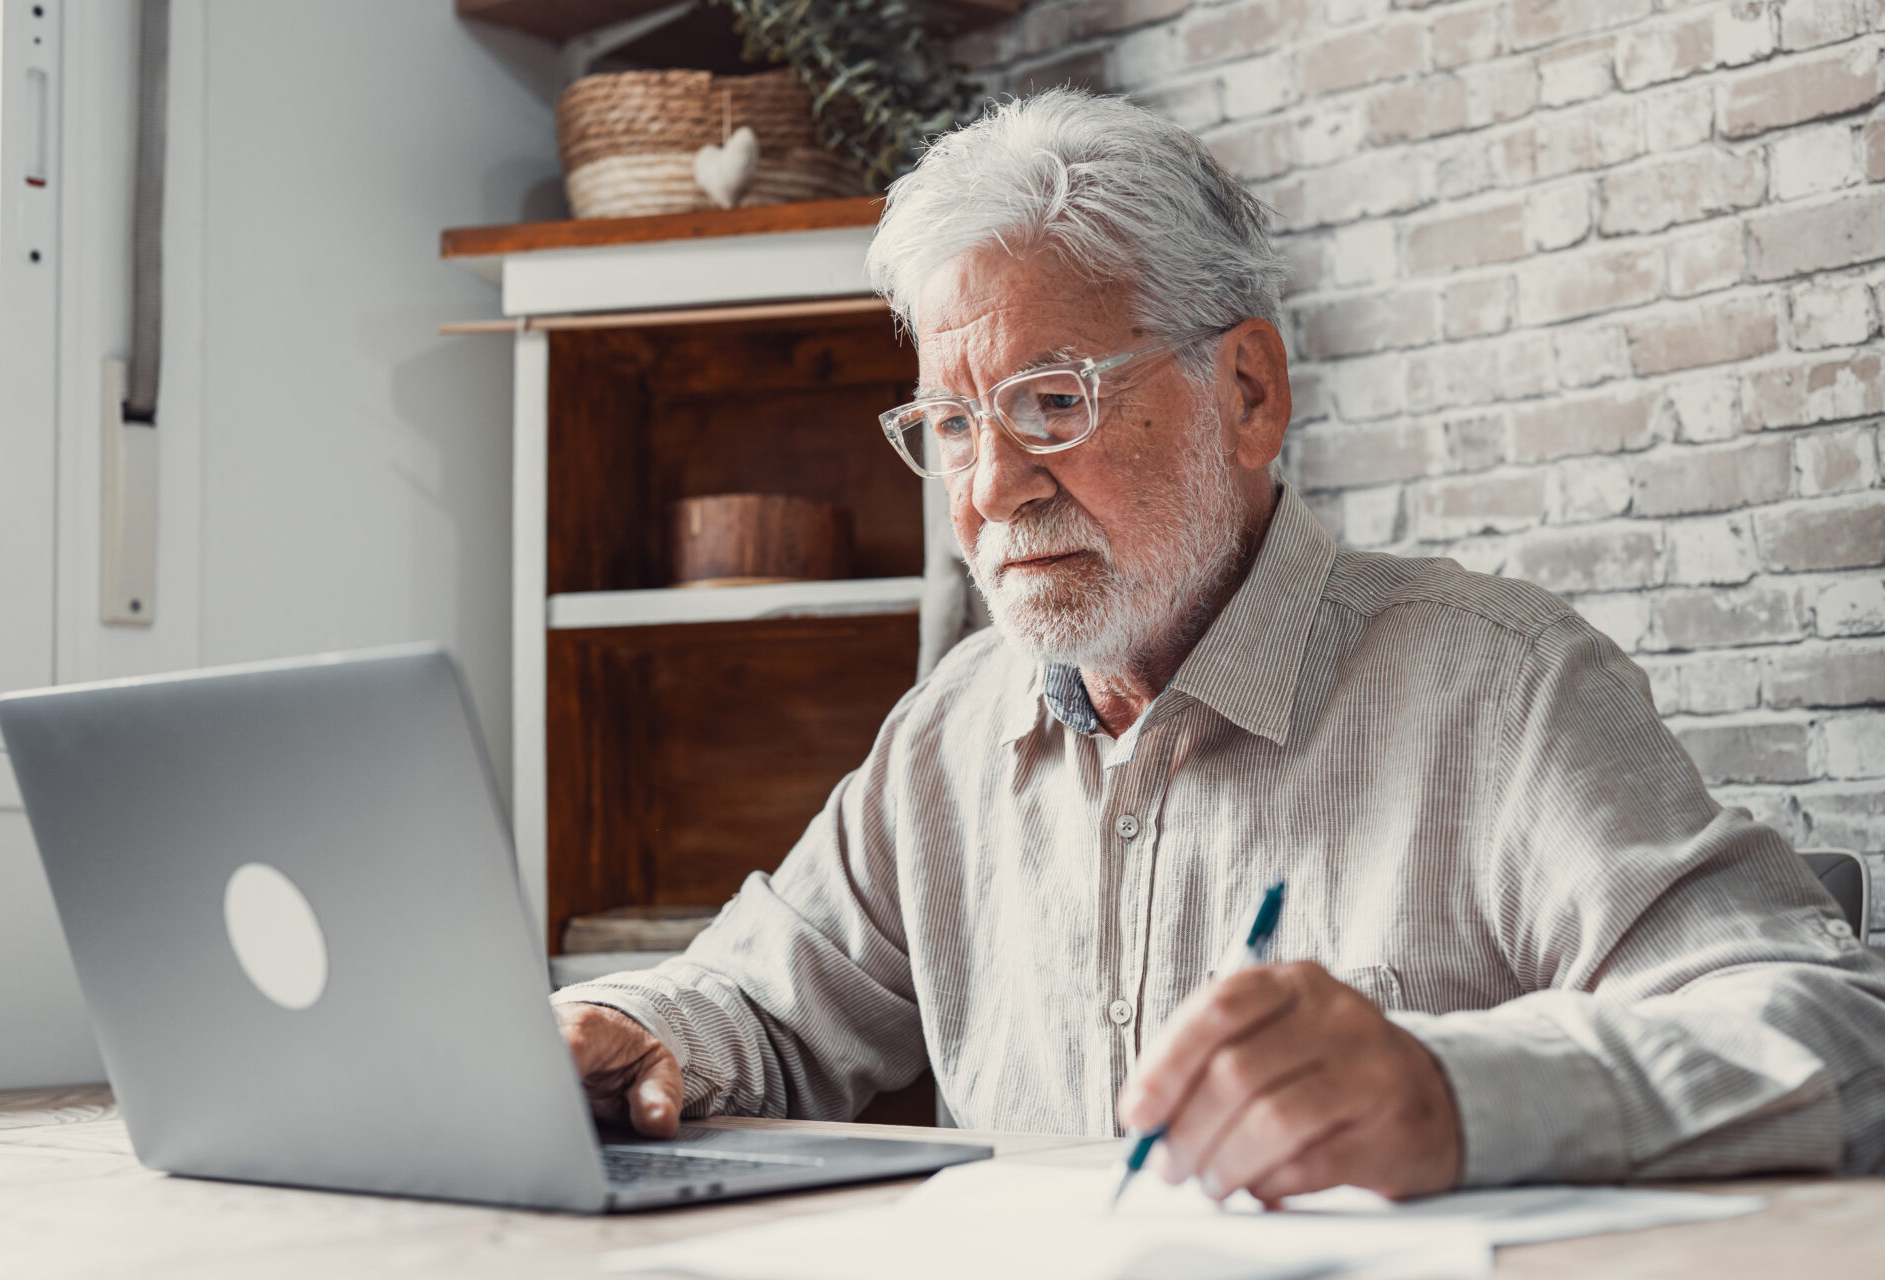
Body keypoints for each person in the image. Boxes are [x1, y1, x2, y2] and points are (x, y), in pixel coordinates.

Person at [551, 89, 1885, 1202]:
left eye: (1050, 400)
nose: (991, 485)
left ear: (1247, 393)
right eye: (951, 424)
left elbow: (1841, 1035)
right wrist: (640, 1027)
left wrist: (1459, 1096)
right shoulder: (947, 735)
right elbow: (759, 997)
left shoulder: (1507, 688)